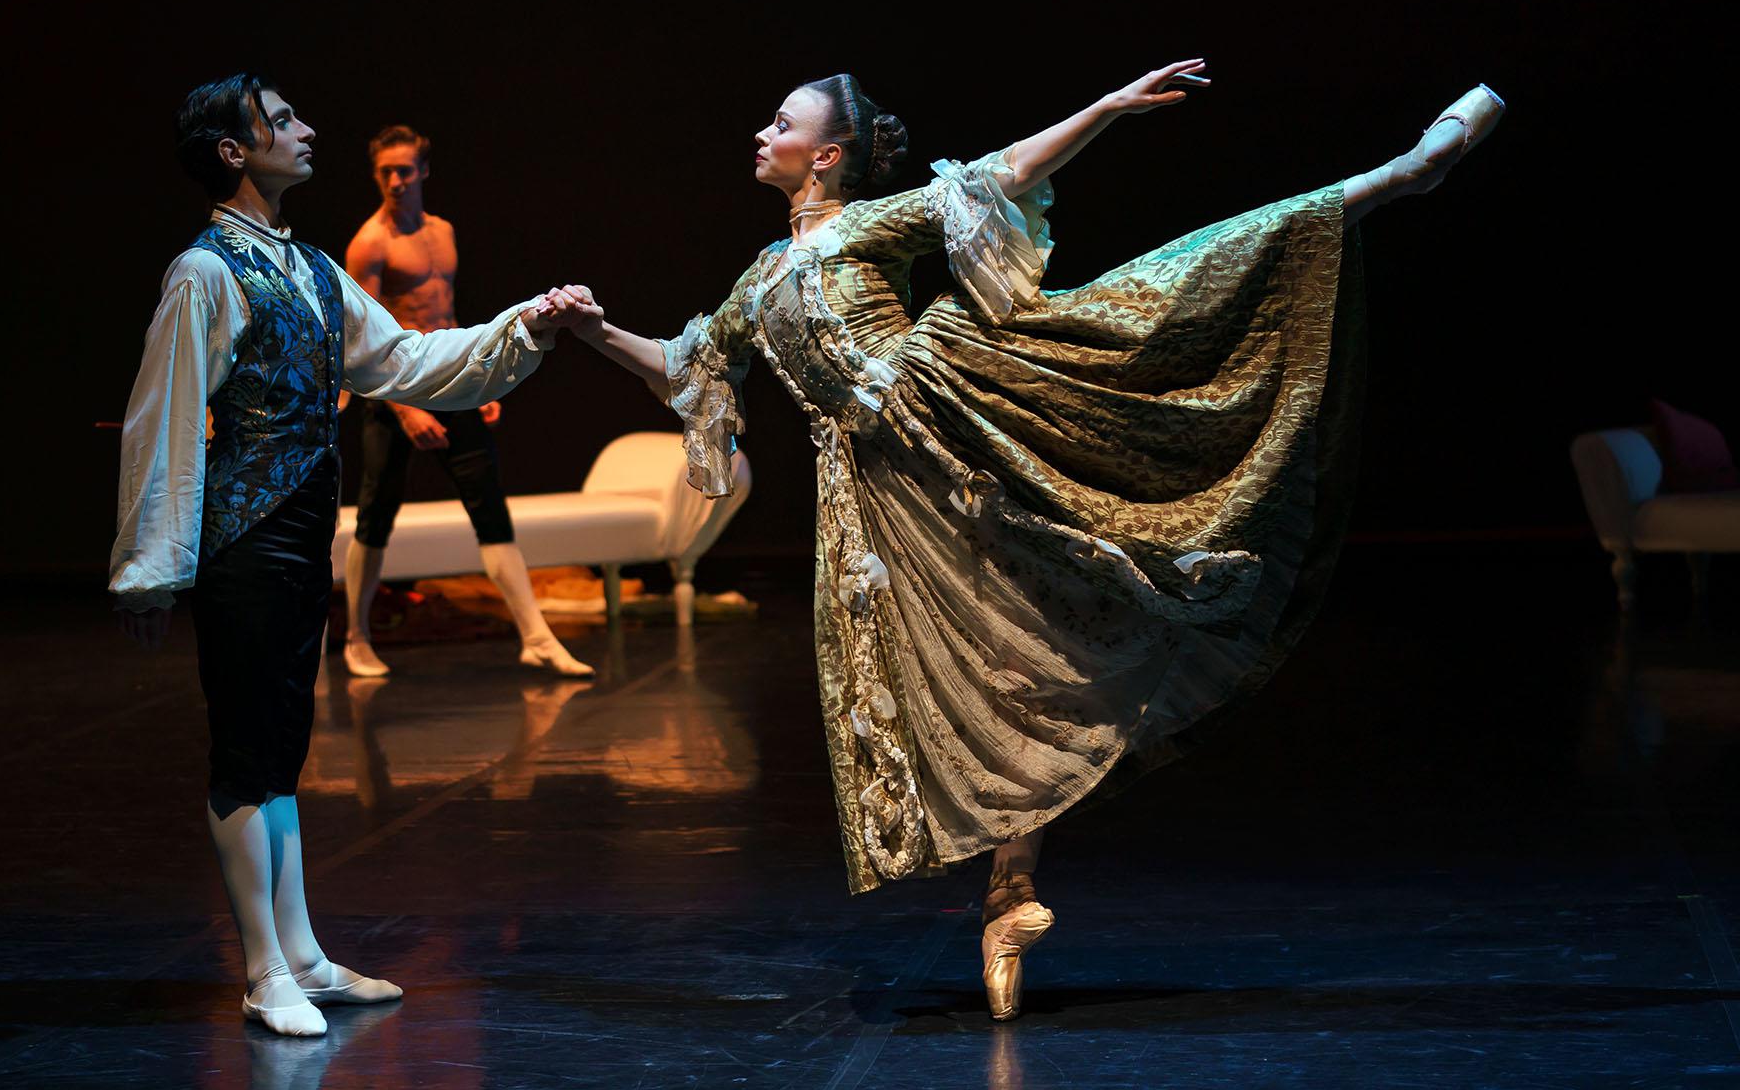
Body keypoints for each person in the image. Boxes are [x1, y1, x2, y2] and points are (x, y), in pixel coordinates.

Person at [556, 62, 1503, 1019]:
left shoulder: (866, 227)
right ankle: (1008, 899)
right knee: (982, 663)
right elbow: (686, 366)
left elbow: (1000, 175)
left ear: (826, 156)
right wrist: (590, 330)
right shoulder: (760, 278)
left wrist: (1106, 107)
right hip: (876, 496)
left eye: (780, 121)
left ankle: (1394, 176)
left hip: (960, 417)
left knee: (1153, 305)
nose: (761, 133)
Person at [110, 73, 586, 1036]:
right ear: (235, 151)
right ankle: (261, 970)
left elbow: (408, 362)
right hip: (243, 541)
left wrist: (520, 327)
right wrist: (153, 568)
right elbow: (162, 421)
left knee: (283, 752)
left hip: (297, 539)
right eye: (281, 121)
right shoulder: (206, 273)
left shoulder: (312, 267)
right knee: (248, 754)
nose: (305, 128)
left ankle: (303, 953)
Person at [339, 125, 592, 679]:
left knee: (490, 508)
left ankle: (536, 637)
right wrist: (407, 409)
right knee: (376, 513)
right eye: (385, 172)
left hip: (452, 386)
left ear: (424, 171)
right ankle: (357, 637)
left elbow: (448, 320)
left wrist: (482, 383)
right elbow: (359, 340)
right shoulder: (370, 244)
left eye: (405, 169)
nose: (396, 181)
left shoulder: (443, 233)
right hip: (394, 393)